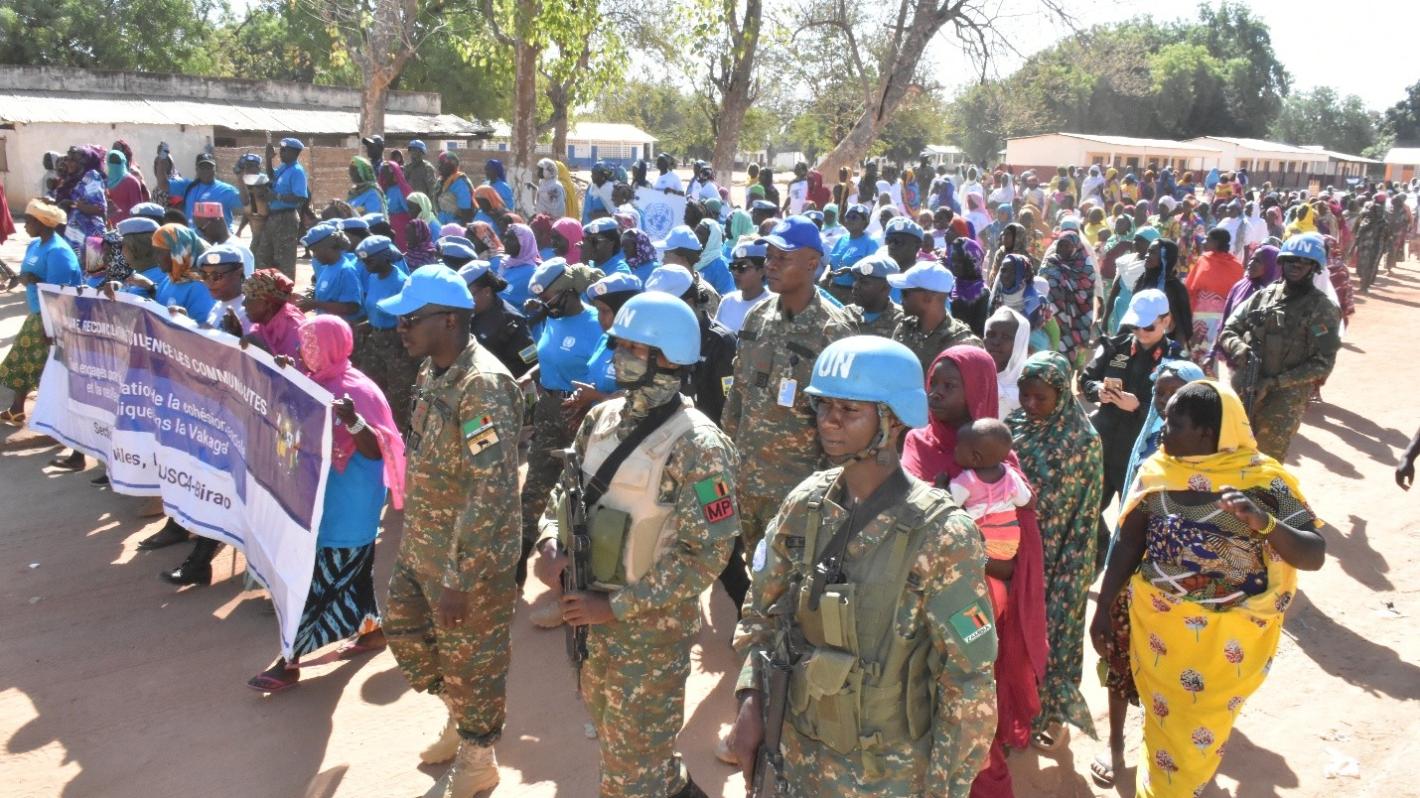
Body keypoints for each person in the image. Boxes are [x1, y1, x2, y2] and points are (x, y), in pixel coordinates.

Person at [728, 335, 1000, 795]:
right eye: (824, 405)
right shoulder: (806, 504)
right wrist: (751, 699)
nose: (829, 421)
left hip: (887, 777)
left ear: (893, 418)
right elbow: (761, 614)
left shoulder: (942, 535)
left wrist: (944, 789)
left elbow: (968, 681)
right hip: (794, 755)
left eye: (849, 409)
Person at [533, 292, 737, 798]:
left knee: (631, 776)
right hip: (590, 620)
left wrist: (616, 606)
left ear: (668, 358)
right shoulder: (600, 419)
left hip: (649, 636)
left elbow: (707, 555)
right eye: (618, 345)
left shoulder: (700, 446)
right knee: (629, 752)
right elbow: (565, 492)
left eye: (632, 347)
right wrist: (550, 539)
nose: (618, 356)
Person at [1090, 381, 1327, 798]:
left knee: (1195, 733)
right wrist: (1104, 605)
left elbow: (1313, 553)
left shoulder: (1264, 482)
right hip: (1155, 625)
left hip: (1223, 644)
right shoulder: (1158, 472)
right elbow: (1129, 543)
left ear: (1206, 433)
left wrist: (1264, 523)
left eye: (1174, 424)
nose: (1162, 431)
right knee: (1160, 722)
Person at [376, 265, 524, 797]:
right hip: (424, 543)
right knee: (406, 633)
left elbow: (492, 492)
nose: (401, 328)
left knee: (472, 663)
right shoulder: (432, 372)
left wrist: (460, 577)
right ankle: (460, 721)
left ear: (450, 320)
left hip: (469, 560)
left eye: (410, 318)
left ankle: (479, 758)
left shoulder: (483, 386)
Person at [246, 316, 404, 693]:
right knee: (353, 571)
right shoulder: (315, 381)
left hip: (351, 503)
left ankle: (289, 661)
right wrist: (286, 376)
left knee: (321, 581)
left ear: (332, 346)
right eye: (303, 345)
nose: (304, 352)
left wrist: (352, 421)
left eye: (311, 345)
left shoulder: (358, 391)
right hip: (326, 498)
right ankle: (371, 629)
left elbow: (378, 448)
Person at [722, 215, 854, 562]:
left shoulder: (833, 331)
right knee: (753, 572)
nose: (771, 265)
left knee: (792, 583)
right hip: (747, 482)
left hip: (799, 491)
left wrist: (831, 494)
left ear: (812, 263)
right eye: (769, 257)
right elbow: (738, 395)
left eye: (783, 258)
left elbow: (845, 423)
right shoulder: (757, 316)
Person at [1005, 351, 1105, 752]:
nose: (1030, 404)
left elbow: (1086, 513)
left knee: (1052, 636)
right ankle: (1015, 711)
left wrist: (1070, 572)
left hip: (1059, 557)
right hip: (1011, 553)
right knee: (1011, 636)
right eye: (1025, 395)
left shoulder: (1084, 442)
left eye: (1040, 398)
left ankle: (1051, 716)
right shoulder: (1013, 428)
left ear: (1062, 395)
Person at [1215, 233, 1341, 459]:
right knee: (1229, 456)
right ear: (1282, 262)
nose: (1295, 266)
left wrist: (1275, 382)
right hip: (1246, 385)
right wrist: (1240, 349)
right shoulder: (1263, 296)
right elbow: (1229, 330)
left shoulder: (1322, 309)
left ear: (1314, 268)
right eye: (1291, 260)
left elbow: (1323, 363)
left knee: (1265, 462)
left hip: (1284, 400)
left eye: (1304, 262)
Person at [518, 260, 605, 585]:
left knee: (579, 490)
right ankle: (517, 564)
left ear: (569, 292)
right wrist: (528, 376)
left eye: (550, 298)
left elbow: (604, 372)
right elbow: (548, 356)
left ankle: (581, 569)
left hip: (579, 413)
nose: (546, 305)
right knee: (535, 487)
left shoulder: (596, 323)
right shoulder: (551, 320)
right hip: (548, 409)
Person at [1080, 288, 1183, 551]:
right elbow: (1086, 379)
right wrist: (1097, 391)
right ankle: (1098, 555)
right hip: (1103, 446)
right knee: (1086, 514)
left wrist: (1139, 407)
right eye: (1135, 326)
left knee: (1132, 525)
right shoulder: (1116, 347)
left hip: (1141, 455)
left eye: (1147, 326)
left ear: (1166, 321)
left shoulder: (1176, 360)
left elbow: (1180, 409)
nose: (1140, 332)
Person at [0, 200, 82, 425]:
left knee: (33, 362)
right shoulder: (34, 245)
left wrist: (51, 326)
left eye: (29, 221)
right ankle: (18, 410)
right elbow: (29, 274)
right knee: (30, 361)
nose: (25, 225)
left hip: (53, 315)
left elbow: (59, 292)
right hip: (37, 312)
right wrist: (23, 279)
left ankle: (56, 419)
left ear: (42, 223)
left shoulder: (58, 252)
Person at [948, 417, 1033, 618]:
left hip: (983, 545)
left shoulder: (965, 480)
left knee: (972, 598)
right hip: (1008, 547)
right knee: (992, 594)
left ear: (975, 458)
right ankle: (984, 626)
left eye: (958, 447)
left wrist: (941, 484)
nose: (955, 450)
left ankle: (975, 630)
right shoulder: (1011, 475)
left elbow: (947, 506)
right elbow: (1026, 501)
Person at [352, 235, 417, 430]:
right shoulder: (373, 278)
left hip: (396, 344)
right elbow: (374, 309)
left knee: (398, 395)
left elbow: (407, 320)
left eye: (369, 261)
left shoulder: (401, 282)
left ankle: (398, 434)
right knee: (369, 387)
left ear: (385, 257)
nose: (365, 266)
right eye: (363, 262)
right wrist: (367, 325)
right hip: (375, 340)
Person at [888, 261, 982, 373]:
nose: (901, 299)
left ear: (927, 297)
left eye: (905, 293)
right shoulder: (905, 327)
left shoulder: (962, 343)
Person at [1184, 227, 1244, 370]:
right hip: (1199, 320)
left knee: (1215, 361)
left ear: (1217, 242)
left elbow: (1237, 296)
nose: (1203, 242)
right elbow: (1190, 288)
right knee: (1195, 357)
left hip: (1223, 321)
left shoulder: (1236, 266)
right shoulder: (1203, 260)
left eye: (1208, 239)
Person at [1038, 230, 1094, 369]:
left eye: (1067, 245)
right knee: (1051, 352)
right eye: (1060, 245)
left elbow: (1086, 296)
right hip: (1052, 317)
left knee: (1069, 353)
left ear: (1076, 247)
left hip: (1075, 319)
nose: (1062, 249)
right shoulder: (1050, 263)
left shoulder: (1085, 267)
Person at [260, 138, 309, 279]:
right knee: (265, 256)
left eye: (284, 150)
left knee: (285, 260)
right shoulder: (285, 167)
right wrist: (268, 159)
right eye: (281, 149)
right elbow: (271, 176)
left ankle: (286, 289)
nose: (280, 152)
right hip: (274, 216)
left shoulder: (297, 171)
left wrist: (277, 196)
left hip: (286, 217)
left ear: (294, 152)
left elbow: (301, 198)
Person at [299, 224, 364, 323]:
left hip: (341, 329)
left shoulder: (345, 271)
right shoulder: (326, 268)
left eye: (315, 250)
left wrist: (315, 304)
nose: (314, 256)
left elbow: (352, 307)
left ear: (328, 247)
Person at [715, 241, 774, 334]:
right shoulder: (727, 301)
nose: (735, 273)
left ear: (762, 271)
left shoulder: (773, 305)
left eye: (742, 267)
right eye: (733, 267)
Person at [839, 252, 902, 337]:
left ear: (885, 287)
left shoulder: (901, 321)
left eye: (864, 282)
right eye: (856, 279)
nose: (855, 285)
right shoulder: (847, 313)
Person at [983, 306, 1031, 418]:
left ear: (1020, 342)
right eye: (991, 335)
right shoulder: (971, 377)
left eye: (1005, 337)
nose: (996, 342)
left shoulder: (1030, 389)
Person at [824, 204, 876, 304]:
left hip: (854, 294)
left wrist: (851, 270)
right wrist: (825, 276)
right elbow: (831, 263)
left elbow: (871, 271)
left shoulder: (870, 243)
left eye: (854, 217)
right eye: (848, 216)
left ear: (864, 221)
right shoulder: (842, 239)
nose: (849, 220)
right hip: (833, 290)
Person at [949, 237, 991, 337]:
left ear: (972, 261)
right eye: (953, 260)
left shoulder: (982, 292)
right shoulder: (951, 284)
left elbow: (979, 330)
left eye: (960, 261)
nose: (955, 265)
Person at [1350, 201, 1388, 293]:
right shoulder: (1365, 221)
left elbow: (1386, 237)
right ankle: (1364, 284)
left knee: (1370, 266)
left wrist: (1384, 248)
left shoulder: (1383, 223)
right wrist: (1353, 247)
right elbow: (1358, 235)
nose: (1369, 212)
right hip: (1363, 247)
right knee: (1362, 266)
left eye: (1372, 211)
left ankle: (1365, 286)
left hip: (1375, 248)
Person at [693, 218, 735, 295]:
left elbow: (728, 295)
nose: (695, 236)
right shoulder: (690, 257)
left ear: (711, 239)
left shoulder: (722, 266)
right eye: (695, 232)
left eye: (700, 234)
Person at [380, 161, 415, 250]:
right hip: (390, 227)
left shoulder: (400, 190)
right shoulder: (386, 189)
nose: (384, 177)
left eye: (386, 174)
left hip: (401, 228)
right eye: (383, 174)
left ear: (393, 175)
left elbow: (410, 211)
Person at [105, 148, 146, 224]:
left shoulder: (131, 182)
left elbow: (136, 208)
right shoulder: (105, 182)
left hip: (127, 226)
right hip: (109, 226)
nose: (114, 165)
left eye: (117, 162)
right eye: (112, 162)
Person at [435, 152, 476, 225]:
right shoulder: (440, 181)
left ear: (453, 166)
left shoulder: (460, 182)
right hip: (441, 223)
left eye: (443, 164)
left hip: (455, 225)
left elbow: (466, 212)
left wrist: (463, 230)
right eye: (439, 164)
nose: (439, 167)